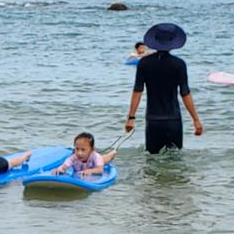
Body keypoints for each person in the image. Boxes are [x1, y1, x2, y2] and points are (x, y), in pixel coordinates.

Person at [124, 23, 203, 154]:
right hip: (173, 120)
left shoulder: (144, 63)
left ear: (154, 41)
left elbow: (137, 91)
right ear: (173, 42)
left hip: (153, 120)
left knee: (152, 158)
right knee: (175, 158)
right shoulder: (179, 64)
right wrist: (196, 120)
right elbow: (185, 93)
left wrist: (131, 118)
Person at [51, 132, 117, 175]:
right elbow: (64, 166)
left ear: (91, 150)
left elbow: (100, 170)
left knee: (105, 159)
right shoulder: (73, 157)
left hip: (94, 163)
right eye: (77, 149)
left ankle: (112, 153)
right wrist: (59, 169)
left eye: (83, 150)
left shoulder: (95, 156)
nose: (79, 153)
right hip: (85, 166)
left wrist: (90, 171)